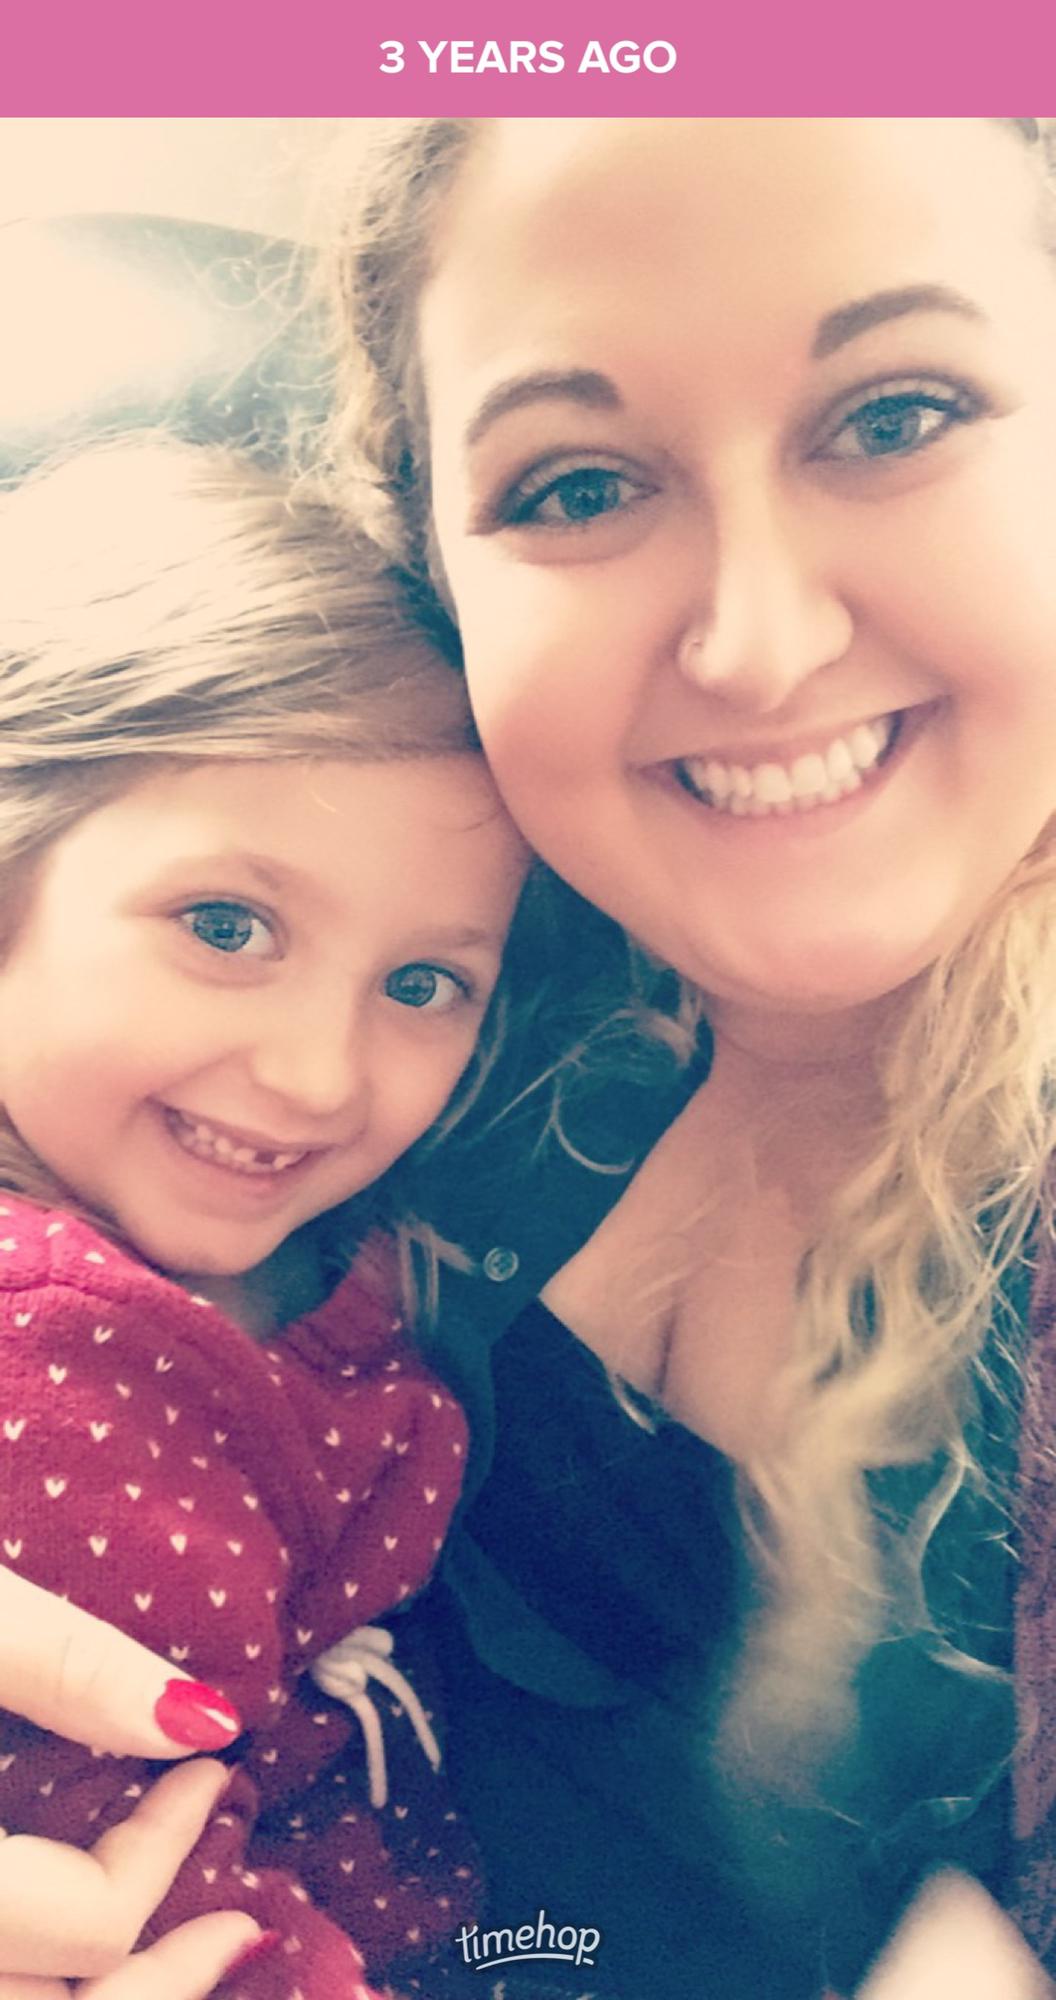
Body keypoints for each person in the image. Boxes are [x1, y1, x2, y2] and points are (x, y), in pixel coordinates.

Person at [5, 115, 1056, 1999]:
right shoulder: (473, 967)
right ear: (435, 572)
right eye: (577, 485)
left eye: (896, 415)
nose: (757, 643)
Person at [0, 438, 533, 1998]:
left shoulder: (306, 1249)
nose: (318, 1075)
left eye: (422, 982)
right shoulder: (63, 1362)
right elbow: (149, 1899)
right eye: (226, 925)